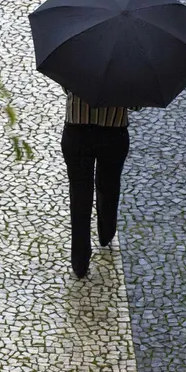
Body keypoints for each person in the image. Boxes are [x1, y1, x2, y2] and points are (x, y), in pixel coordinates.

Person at [60, 87, 141, 279]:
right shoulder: (128, 62)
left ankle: (80, 262)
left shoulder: (75, 57)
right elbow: (136, 104)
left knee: (79, 197)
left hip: (77, 131)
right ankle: (106, 232)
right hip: (113, 133)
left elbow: (66, 86)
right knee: (109, 186)